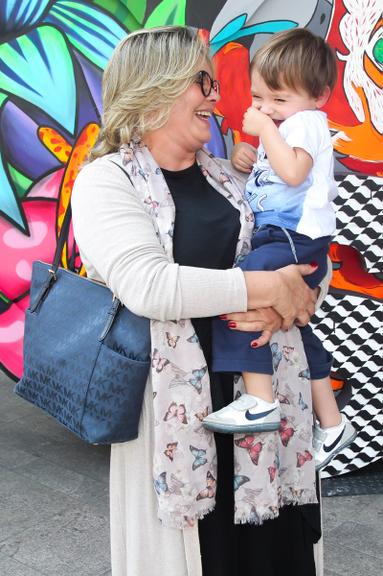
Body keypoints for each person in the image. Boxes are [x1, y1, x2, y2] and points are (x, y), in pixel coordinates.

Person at [71, 26, 328, 576]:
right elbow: (151, 285)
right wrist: (265, 289)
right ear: (156, 87)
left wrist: (300, 293)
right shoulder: (105, 182)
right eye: (203, 80)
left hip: (264, 407)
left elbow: (296, 258)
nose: (216, 96)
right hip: (177, 414)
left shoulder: (229, 177)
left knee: (273, 555)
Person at [204, 28, 356, 470]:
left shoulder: (306, 123)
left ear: (319, 96)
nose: (266, 109)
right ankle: (332, 422)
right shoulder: (290, 125)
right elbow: (275, 173)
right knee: (295, 326)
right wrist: (245, 158)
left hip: (293, 236)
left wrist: (266, 131)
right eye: (259, 98)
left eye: (279, 99)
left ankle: (259, 400)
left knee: (242, 291)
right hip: (283, 236)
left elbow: (292, 173)